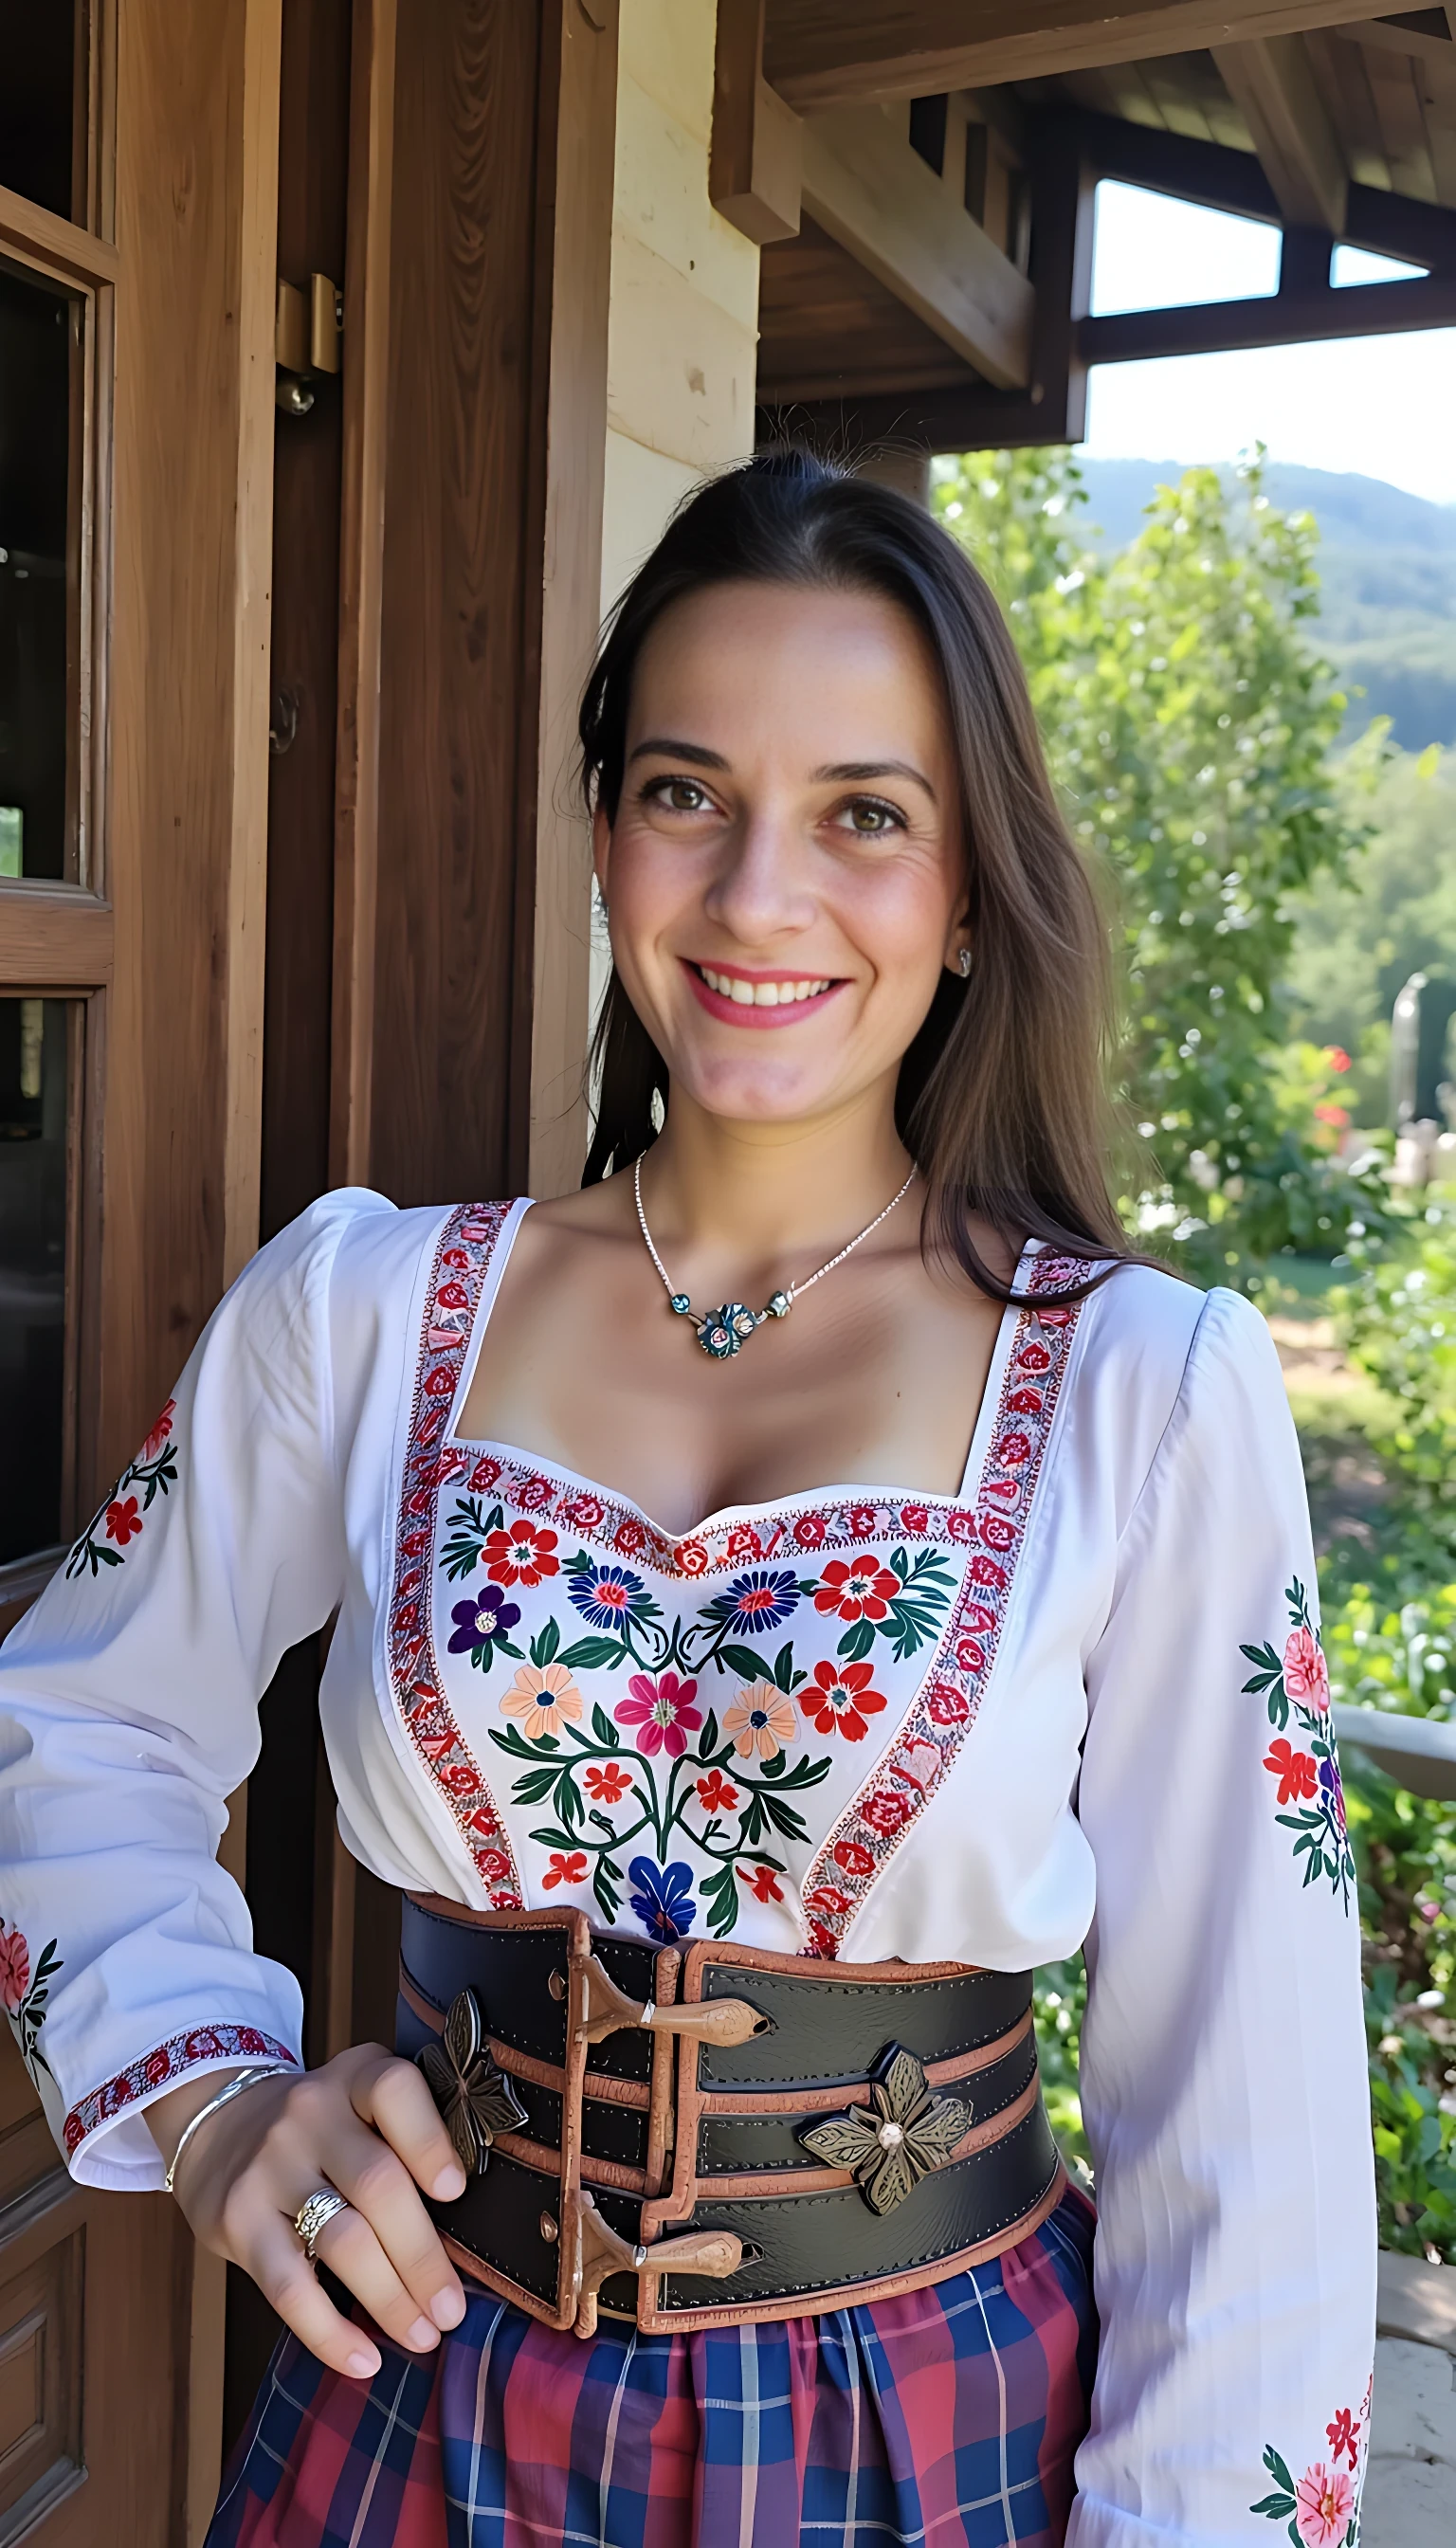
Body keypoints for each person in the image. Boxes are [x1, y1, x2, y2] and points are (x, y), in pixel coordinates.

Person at [0, 453, 1374, 2547]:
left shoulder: (1141, 1394)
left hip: (935, 2430)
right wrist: (209, 2107)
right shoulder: (369, 1315)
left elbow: (1248, 2129)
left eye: (864, 814)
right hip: (420, 2412)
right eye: (683, 792)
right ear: (604, 835)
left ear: (972, 890)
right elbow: (70, 1722)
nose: (755, 897)